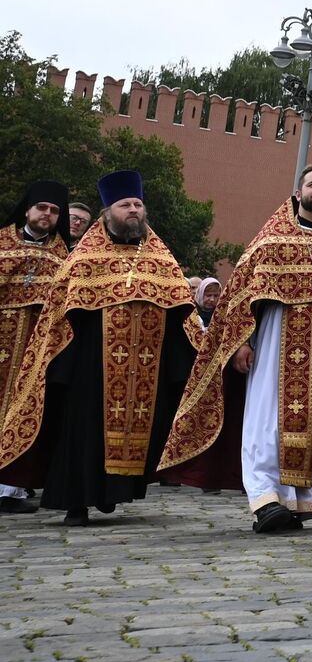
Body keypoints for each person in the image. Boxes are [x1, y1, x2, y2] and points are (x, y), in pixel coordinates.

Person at [158, 163, 312, 532]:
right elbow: (239, 296)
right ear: (298, 191)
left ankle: (298, 500)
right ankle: (265, 498)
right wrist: (240, 342)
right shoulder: (270, 242)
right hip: (274, 343)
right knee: (266, 419)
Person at [0, 171, 197, 524]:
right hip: (90, 364)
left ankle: (112, 492)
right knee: (82, 431)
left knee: (137, 433)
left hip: (146, 367)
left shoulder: (162, 258)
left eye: (138, 204)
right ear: (108, 212)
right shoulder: (82, 258)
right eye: (125, 205)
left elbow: (182, 309)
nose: (133, 210)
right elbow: (58, 316)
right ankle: (77, 501)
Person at [0, 180, 74, 512]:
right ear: (27, 209)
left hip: (38, 347)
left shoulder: (65, 256)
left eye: (54, 210)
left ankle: (12, 488)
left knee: (28, 409)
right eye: (42, 208)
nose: (47, 215)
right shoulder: (2, 243)